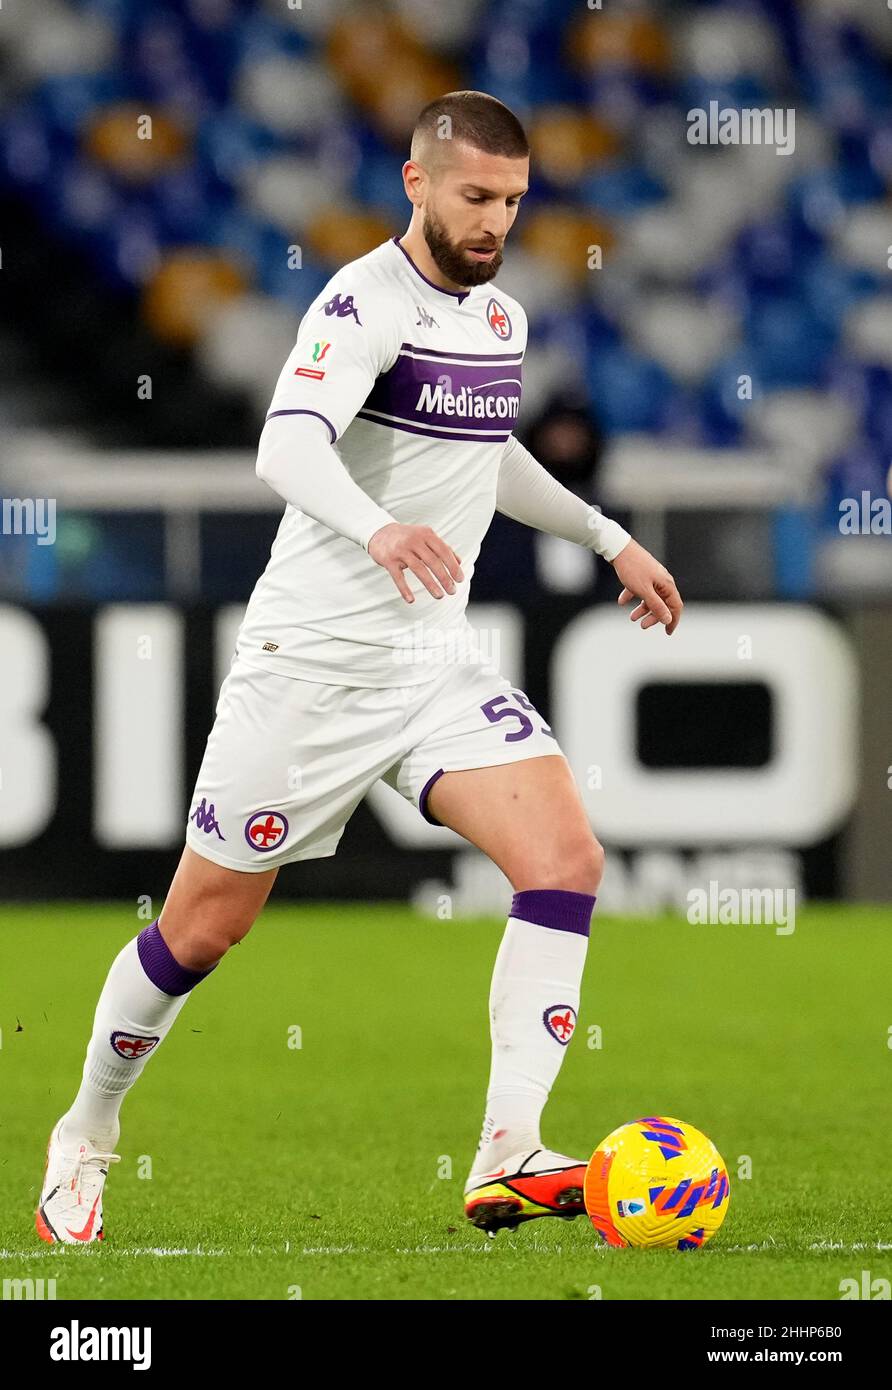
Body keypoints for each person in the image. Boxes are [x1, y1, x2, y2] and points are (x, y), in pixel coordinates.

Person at [36, 90, 682, 1244]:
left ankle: (506, 1150)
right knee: (202, 931)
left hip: (431, 664)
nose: (495, 222)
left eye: (514, 202)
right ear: (416, 183)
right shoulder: (360, 303)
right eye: (477, 197)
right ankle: (85, 1129)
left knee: (565, 857)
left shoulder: (497, 323)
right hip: (309, 668)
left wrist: (605, 535)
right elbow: (287, 443)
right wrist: (376, 528)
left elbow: (489, 454)